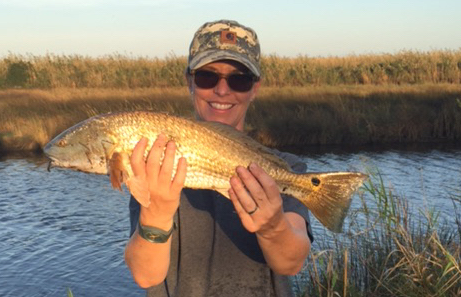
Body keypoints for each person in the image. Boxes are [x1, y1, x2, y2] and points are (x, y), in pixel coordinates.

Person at [116, 19, 313, 297]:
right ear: (190, 82)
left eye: (239, 79)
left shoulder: (286, 168)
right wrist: (156, 214)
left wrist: (272, 227)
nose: (222, 90)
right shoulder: (156, 164)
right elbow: (146, 275)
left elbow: (292, 262)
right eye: (208, 76)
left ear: (254, 89)